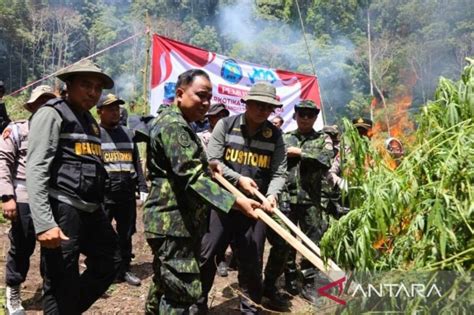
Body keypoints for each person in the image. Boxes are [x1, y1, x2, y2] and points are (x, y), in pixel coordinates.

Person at [143, 69, 261, 314]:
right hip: (173, 225)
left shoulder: (177, 124)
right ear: (179, 93)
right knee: (183, 292)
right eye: (201, 96)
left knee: (165, 284)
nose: (206, 103)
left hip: (174, 224)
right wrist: (236, 202)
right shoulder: (175, 126)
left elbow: (182, 166)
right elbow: (191, 176)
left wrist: (210, 166)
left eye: (210, 97)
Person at [26, 59, 122, 314]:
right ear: (68, 85)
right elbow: (36, 168)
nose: (93, 92)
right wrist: (45, 223)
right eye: (86, 85)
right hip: (63, 208)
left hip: (91, 210)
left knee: (111, 259)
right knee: (60, 280)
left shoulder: (90, 121)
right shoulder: (52, 112)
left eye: (97, 88)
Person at [199, 81, 287, 314]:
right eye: (258, 104)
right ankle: (197, 304)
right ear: (246, 103)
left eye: (268, 107)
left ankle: (250, 308)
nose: (262, 110)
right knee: (207, 256)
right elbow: (213, 162)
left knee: (252, 261)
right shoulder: (226, 126)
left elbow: (279, 172)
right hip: (224, 203)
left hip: (255, 209)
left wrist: (272, 195)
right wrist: (238, 179)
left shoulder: (275, 135)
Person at [1, 85, 56, 314]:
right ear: (32, 106)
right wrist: (6, 196)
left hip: (52, 196)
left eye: (50, 103)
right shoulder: (17, 130)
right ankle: (13, 291)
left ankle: (50, 289)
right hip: (23, 195)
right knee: (22, 246)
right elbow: (2, 161)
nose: (45, 107)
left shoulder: (59, 132)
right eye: (40, 102)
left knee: (53, 247)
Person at [272, 100, 334, 304]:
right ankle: (287, 278)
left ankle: (309, 282)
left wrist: (301, 153)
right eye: (302, 114)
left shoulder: (322, 138)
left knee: (313, 242)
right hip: (287, 199)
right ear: (295, 115)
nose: (305, 118)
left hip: (311, 200)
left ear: (315, 117)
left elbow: (326, 159)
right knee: (284, 242)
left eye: (310, 114)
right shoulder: (285, 137)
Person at [97, 93, 148, 287]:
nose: (115, 112)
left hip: (126, 193)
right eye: (110, 109)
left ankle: (123, 269)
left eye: (117, 108)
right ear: (99, 111)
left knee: (126, 233)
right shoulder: (94, 134)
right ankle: (102, 270)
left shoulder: (127, 133)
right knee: (101, 233)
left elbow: (136, 160)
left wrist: (142, 186)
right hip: (104, 194)